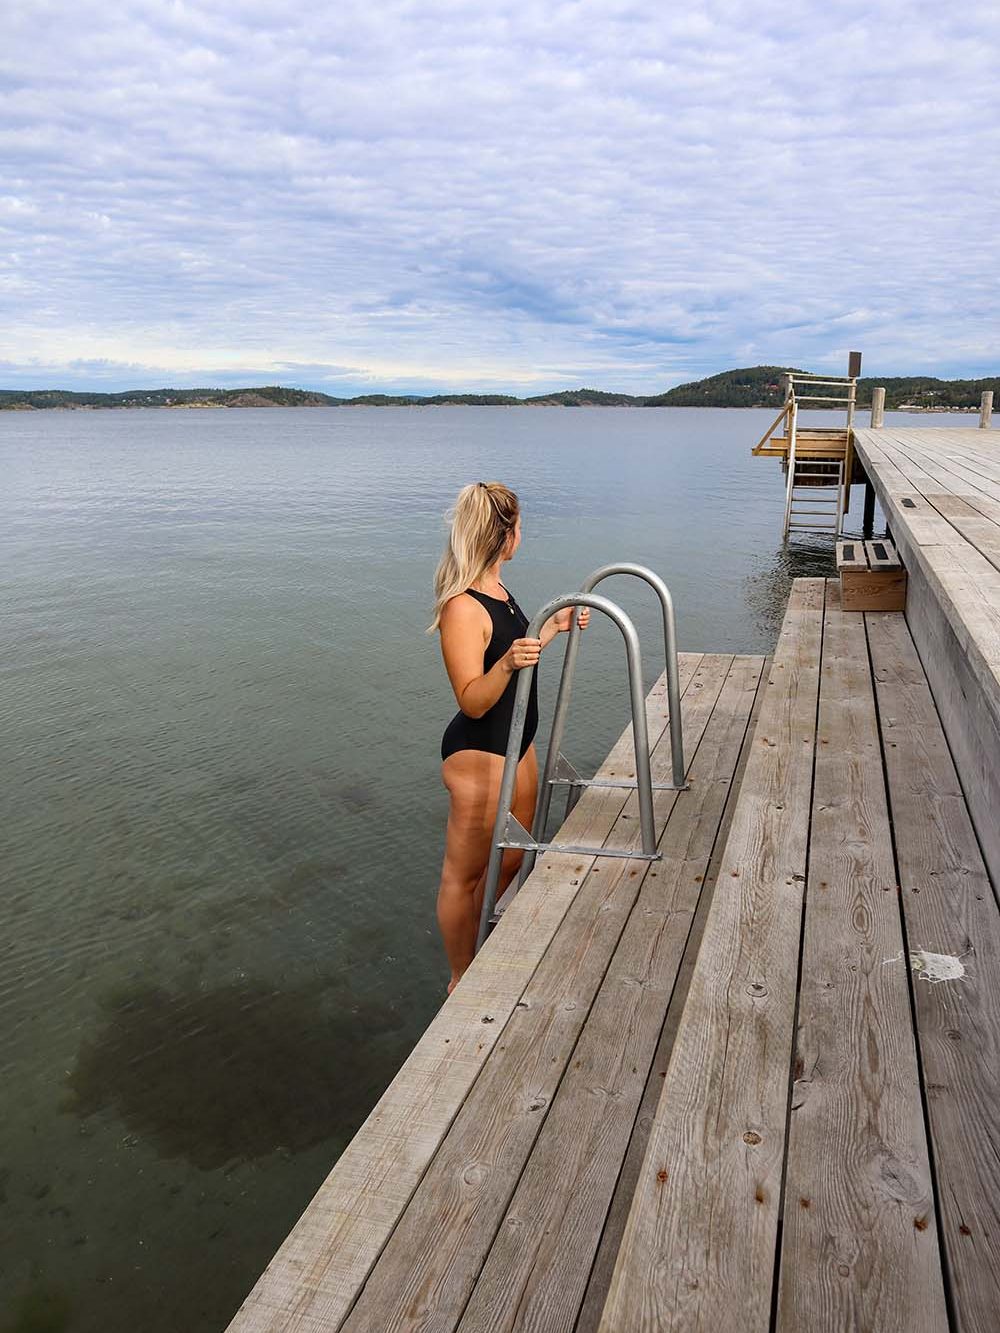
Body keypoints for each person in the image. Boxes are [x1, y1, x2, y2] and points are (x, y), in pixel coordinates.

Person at [428, 481, 589, 994]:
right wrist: (505, 663)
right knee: (463, 876)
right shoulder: (461, 606)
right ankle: (460, 978)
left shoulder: (498, 590)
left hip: (518, 744)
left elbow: (514, 655)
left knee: (512, 857)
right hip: (478, 754)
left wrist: (553, 626)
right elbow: (472, 699)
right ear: (503, 535)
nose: (522, 535)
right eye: (519, 527)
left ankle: (482, 945)